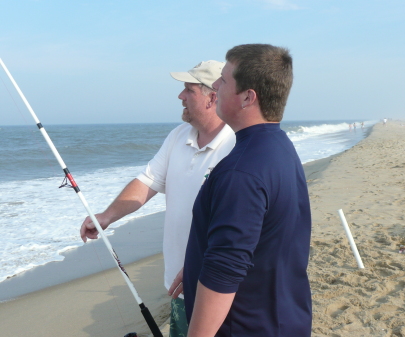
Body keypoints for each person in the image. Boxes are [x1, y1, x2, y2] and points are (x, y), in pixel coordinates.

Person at [80, 60, 236, 337]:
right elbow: (147, 181)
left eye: (189, 90)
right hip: (178, 286)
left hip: (215, 285)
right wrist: (106, 216)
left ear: (212, 97)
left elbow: (239, 226)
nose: (180, 96)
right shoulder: (178, 136)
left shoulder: (236, 145)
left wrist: (202, 268)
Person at [181, 44, 312, 336]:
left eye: (224, 80)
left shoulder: (241, 172)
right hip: (283, 317)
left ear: (247, 97)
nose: (215, 85)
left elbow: (224, 271)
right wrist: (195, 266)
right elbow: (259, 239)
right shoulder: (279, 147)